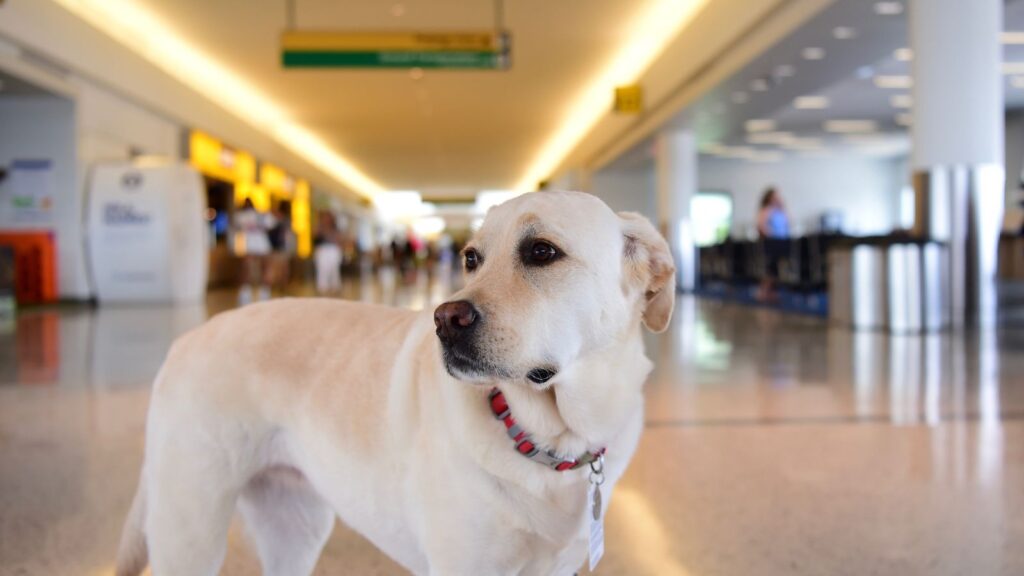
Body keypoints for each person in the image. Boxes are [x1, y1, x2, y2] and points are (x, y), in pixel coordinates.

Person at [234, 198, 274, 304]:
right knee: (247, 269)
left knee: (262, 268)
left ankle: (262, 293)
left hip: (260, 246)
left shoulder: (258, 215)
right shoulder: (244, 216)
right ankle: (247, 293)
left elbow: (271, 223)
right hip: (252, 246)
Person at [756, 187, 790, 301]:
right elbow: (761, 226)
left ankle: (772, 293)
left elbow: (787, 223)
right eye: (774, 196)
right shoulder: (766, 210)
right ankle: (763, 292)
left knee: (776, 269)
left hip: (782, 242)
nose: (776, 198)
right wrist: (770, 236)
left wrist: (782, 207)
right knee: (770, 268)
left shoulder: (780, 211)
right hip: (771, 242)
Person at [265, 202, 294, 292]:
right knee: (277, 269)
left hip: (279, 248)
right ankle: (277, 286)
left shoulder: (283, 221)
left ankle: (281, 286)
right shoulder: (279, 221)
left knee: (281, 269)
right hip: (277, 248)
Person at [313, 212, 343, 295]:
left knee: (334, 270)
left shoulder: (336, 229)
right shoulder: (319, 227)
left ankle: (334, 287)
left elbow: (339, 239)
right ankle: (323, 288)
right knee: (323, 270)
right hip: (322, 250)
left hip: (333, 250)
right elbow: (315, 237)